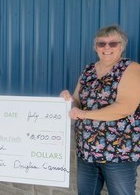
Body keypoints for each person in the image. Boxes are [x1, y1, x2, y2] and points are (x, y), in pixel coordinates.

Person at [60, 25, 140, 195]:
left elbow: (125, 107)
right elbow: (77, 101)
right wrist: (67, 100)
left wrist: (84, 114)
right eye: (101, 44)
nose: (107, 48)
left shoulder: (131, 68)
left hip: (119, 154)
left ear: (122, 46)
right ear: (96, 47)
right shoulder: (88, 70)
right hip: (86, 151)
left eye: (113, 43)